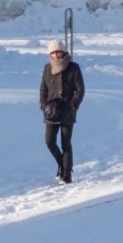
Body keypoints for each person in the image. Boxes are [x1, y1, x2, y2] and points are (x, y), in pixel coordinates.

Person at [39, 39, 85, 184]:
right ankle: (62, 164)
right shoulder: (47, 68)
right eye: (52, 53)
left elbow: (80, 89)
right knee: (49, 142)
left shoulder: (73, 67)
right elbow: (43, 89)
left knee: (66, 143)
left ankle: (67, 174)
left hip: (67, 111)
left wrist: (73, 104)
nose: (56, 55)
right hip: (51, 111)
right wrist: (43, 104)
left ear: (63, 52)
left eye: (58, 52)